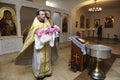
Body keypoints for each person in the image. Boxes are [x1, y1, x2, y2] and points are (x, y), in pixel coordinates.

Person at [15, 10, 58, 80]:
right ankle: (39, 74)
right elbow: (33, 33)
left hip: (46, 45)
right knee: (39, 59)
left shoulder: (47, 22)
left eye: (44, 14)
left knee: (47, 57)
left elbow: (50, 30)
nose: (44, 16)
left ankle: (47, 72)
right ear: (38, 16)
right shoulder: (36, 23)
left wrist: (52, 31)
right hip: (39, 45)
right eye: (42, 14)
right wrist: (40, 32)